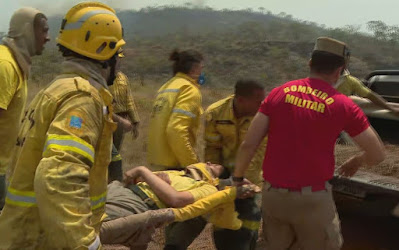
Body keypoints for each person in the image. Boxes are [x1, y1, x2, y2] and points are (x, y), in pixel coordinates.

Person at [233, 37, 386, 250]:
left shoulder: (280, 92)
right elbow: (377, 154)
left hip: (273, 196)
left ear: (309, 63)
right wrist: (358, 159)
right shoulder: (343, 105)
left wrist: (237, 178)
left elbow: (249, 144)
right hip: (312, 200)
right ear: (340, 70)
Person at [0, 2, 125, 249]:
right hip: (42, 239)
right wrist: (85, 243)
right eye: (117, 54)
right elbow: (58, 178)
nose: (119, 63)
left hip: (25, 232)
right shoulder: (82, 98)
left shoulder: (57, 88)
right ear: (104, 51)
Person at [168, 80, 266, 250]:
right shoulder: (216, 112)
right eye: (258, 100)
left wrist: (242, 183)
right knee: (216, 221)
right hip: (221, 179)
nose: (262, 104)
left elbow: (256, 154)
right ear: (241, 100)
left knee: (249, 224)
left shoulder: (263, 116)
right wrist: (217, 181)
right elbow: (212, 149)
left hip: (249, 181)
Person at [100, 162, 259, 249]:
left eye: (214, 167)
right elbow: (129, 177)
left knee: (85, 230)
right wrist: (146, 178)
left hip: (133, 203)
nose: (209, 162)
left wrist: (143, 171)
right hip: (116, 191)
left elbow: (175, 199)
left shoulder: (206, 187)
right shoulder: (176, 174)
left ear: (213, 178)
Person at [0, 7, 49, 209]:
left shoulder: (14, 63)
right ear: (27, 31)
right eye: (44, 30)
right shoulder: (5, 65)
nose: (47, 38)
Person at [147, 49, 204, 171]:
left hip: (156, 160)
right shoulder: (189, 89)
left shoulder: (166, 87)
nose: (202, 73)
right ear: (194, 69)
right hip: (174, 163)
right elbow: (175, 130)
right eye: (201, 68)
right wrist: (192, 164)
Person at [109, 49, 140, 149]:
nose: (118, 61)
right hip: (108, 117)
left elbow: (129, 100)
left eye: (120, 59)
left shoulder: (123, 78)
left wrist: (135, 121)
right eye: (117, 59)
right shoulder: (103, 77)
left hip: (122, 118)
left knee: (116, 149)